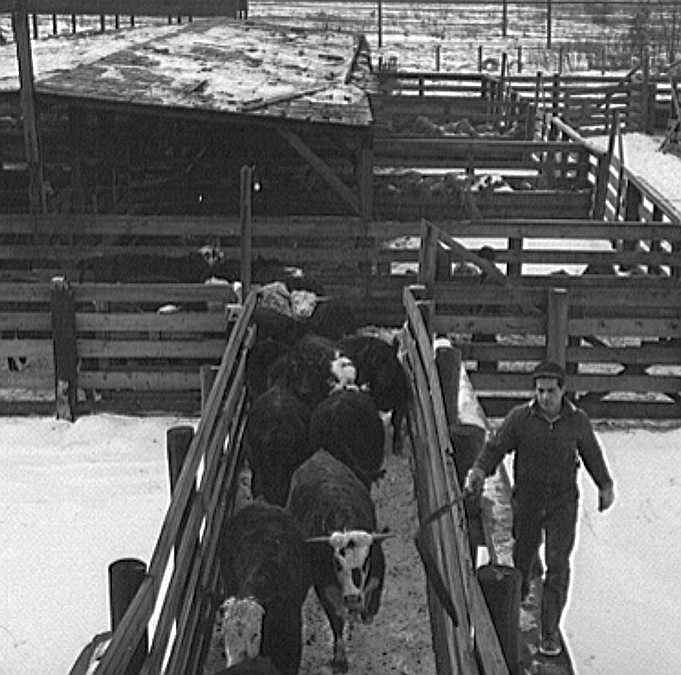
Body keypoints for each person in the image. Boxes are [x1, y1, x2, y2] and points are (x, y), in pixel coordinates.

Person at [463, 361, 615, 657]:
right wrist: (480, 470)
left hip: (562, 503)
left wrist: (605, 485)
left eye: (551, 391)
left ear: (563, 391)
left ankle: (548, 630)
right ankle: (515, 608)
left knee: (557, 565)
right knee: (523, 556)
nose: (545, 397)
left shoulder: (577, 421)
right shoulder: (520, 418)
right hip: (528, 502)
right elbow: (496, 447)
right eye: (540, 390)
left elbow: (592, 454)